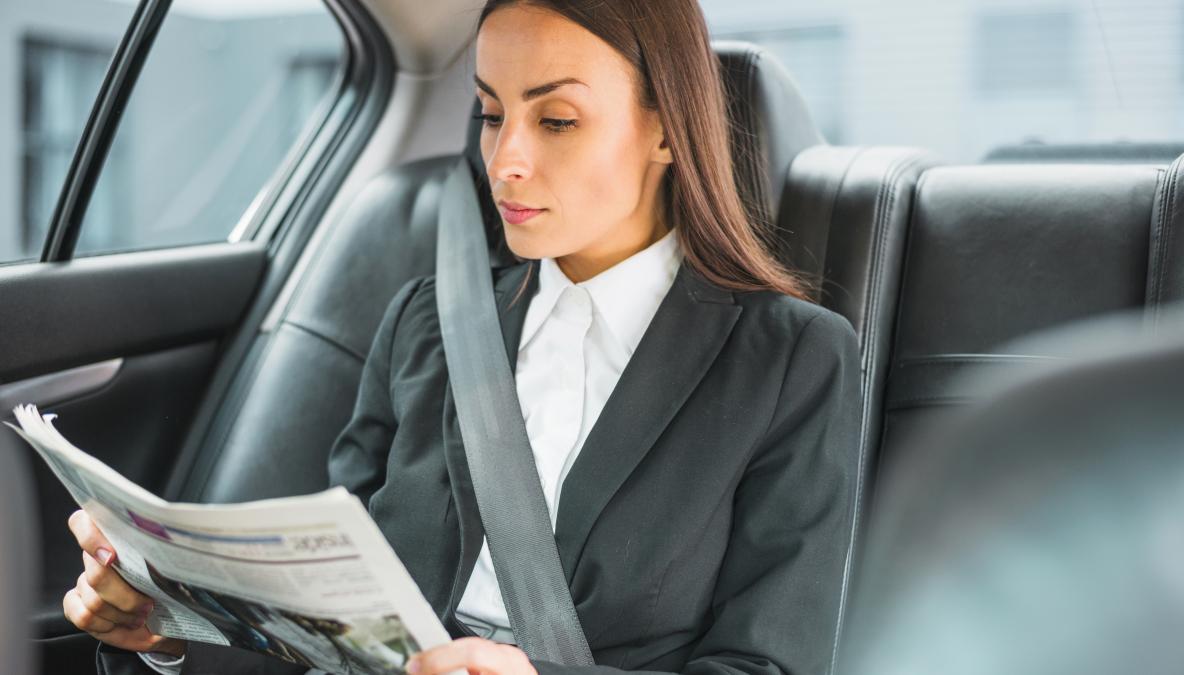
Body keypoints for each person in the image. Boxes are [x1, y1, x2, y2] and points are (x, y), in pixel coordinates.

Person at [66, 1, 864, 674]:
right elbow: (328, 618)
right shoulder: (425, 324)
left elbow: (766, 662)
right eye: (490, 114)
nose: (505, 159)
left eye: (556, 119)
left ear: (667, 131)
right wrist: (171, 628)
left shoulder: (794, 362)